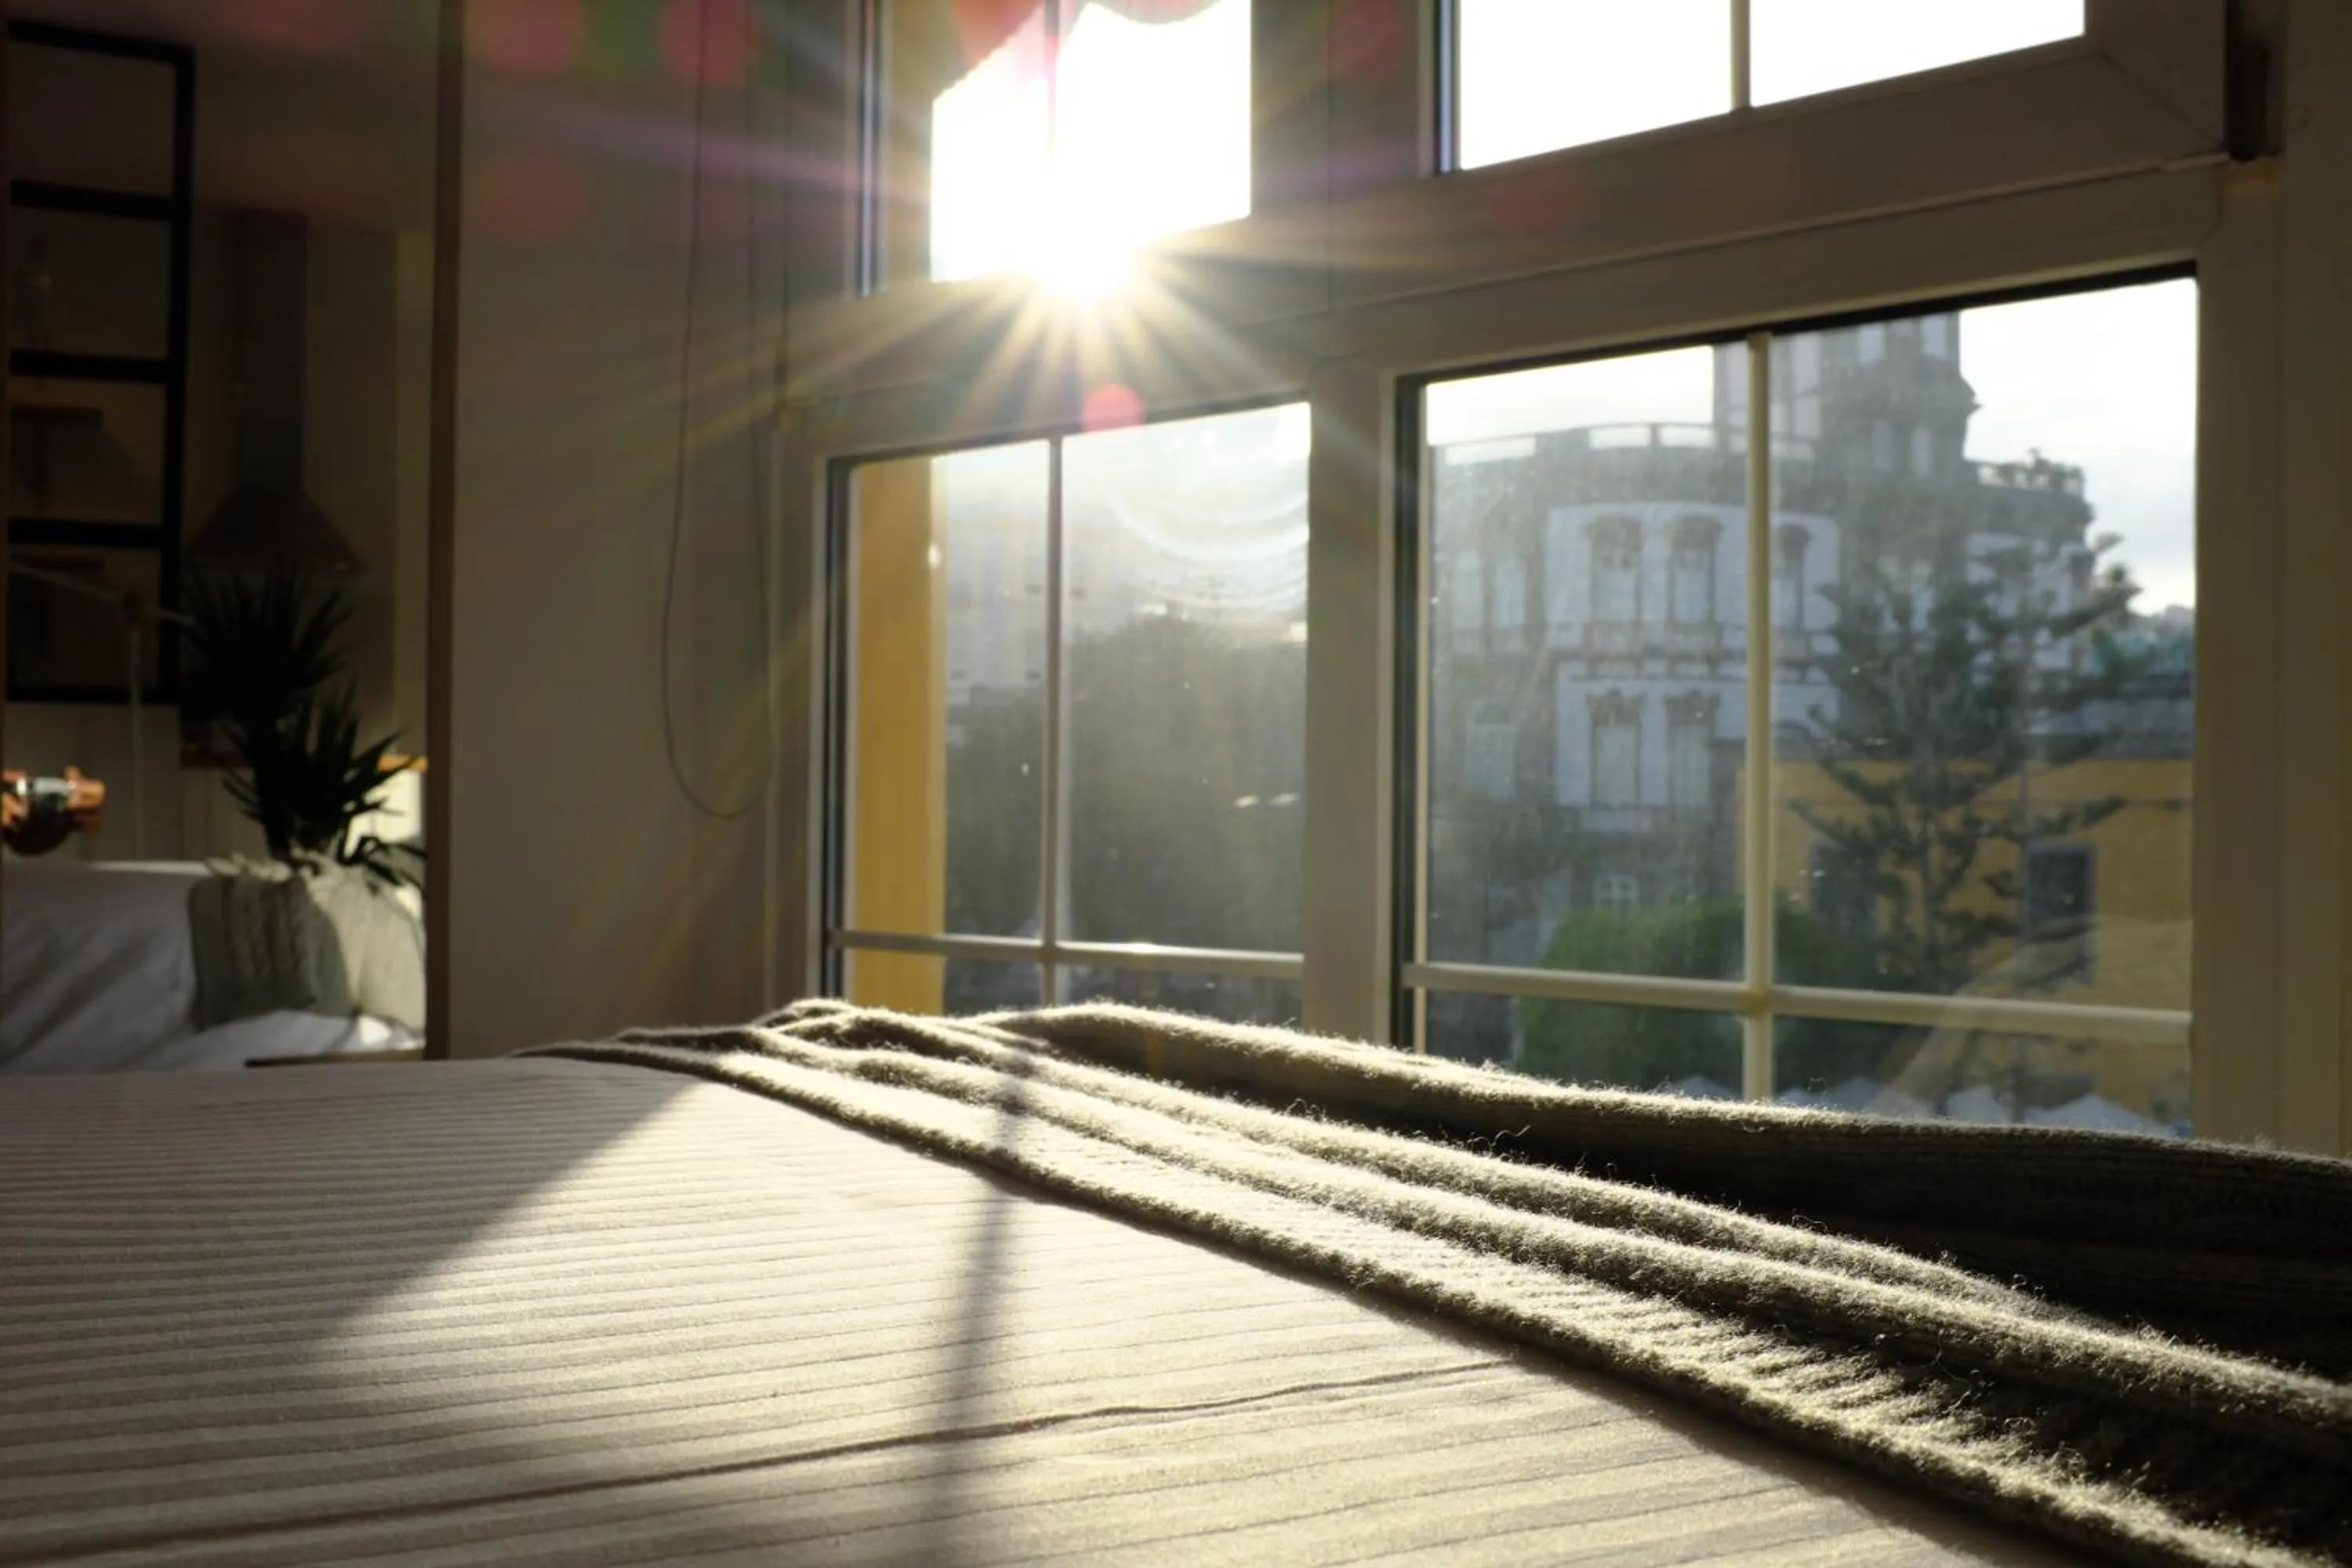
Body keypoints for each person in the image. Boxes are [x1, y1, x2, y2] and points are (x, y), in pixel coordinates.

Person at [2, 768, 105, 857]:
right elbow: (71, 771)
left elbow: (19, 818)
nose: (78, 786)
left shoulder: (58, 820)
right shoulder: (62, 791)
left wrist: (19, 807)